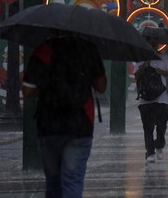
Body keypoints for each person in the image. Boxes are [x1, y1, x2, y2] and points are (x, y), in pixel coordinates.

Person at [22, 31, 107, 198]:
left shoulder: (43, 50)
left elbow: (27, 90)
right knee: (73, 180)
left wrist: (48, 90)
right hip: (80, 124)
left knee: (53, 181)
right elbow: (101, 87)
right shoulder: (88, 49)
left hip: (49, 124)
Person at [134, 35, 168, 162]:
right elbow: (136, 75)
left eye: (155, 43)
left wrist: (160, 71)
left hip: (161, 98)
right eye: (151, 43)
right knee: (148, 127)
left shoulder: (163, 57)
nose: (154, 45)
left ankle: (159, 144)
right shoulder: (140, 58)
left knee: (162, 125)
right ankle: (150, 152)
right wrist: (145, 64)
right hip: (145, 99)